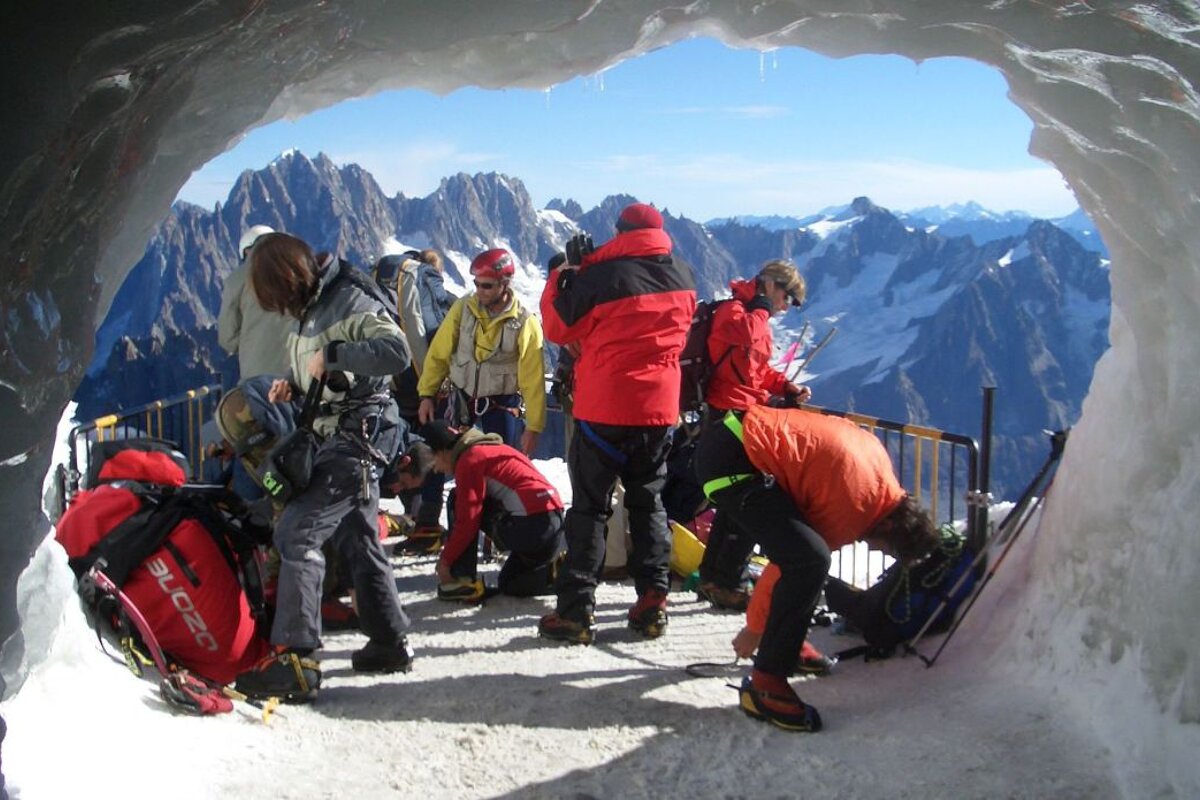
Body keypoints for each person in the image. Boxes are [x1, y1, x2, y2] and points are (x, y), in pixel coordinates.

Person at [232, 233, 420, 702]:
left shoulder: (348, 298)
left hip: (357, 438)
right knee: (357, 535)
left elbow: (396, 353)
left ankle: (297, 659)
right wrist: (292, 387)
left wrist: (333, 356)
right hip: (345, 433)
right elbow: (326, 371)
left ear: (287, 281)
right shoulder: (313, 307)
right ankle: (389, 641)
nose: (275, 307)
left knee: (296, 533)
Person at [693, 404, 939, 731]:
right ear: (892, 531)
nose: (870, 548)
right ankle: (766, 683)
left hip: (740, 440)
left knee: (807, 557)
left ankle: (787, 648)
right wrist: (754, 629)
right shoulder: (855, 509)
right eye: (886, 550)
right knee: (809, 560)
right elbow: (788, 567)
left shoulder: (880, 477)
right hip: (731, 462)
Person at [537, 202, 696, 644]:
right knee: (649, 506)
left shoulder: (601, 277)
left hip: (604, 410)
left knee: (590, 509)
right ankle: (652, 604)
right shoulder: (683, 275)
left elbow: (557, 327)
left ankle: (575, 613)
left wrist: (565, 273)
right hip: (660, 411)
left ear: (620, 230)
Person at [695, 260, 810, 612]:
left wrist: (784, 386)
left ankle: (715, 577)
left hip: (742, 413)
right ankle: (727, 581)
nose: (785, 307)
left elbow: (755, 369)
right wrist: (759, 309)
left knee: (734, 502)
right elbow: (743, 336)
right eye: (786, 296)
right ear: (771, 285)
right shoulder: (734, 310)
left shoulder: (750, 313)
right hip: (726, 416)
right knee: (748, 499)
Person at [417, 248, 545, 457]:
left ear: (505, 284)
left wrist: (533, 427)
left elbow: (533, 379)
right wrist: (426, 395)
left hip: (501, 403)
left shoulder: (524, 322)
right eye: (476, 284)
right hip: (459, 397)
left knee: (501, 464)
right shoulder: (463, 308)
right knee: (435, 457)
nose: (479, 290)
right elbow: (439, 353)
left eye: (486, 285)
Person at [419, 420, 565, 603]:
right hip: (552, 521)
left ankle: (462, 580)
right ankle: (559, 572)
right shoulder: (492, 448)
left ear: (441, 451)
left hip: (531, 525)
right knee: (510, 584)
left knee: (457, 499)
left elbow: (468, 520)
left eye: (434, 461)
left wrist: (446, 560)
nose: (436, 469)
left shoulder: (470, 459)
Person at [218, 224, 291, 382]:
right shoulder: (298, 273)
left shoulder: (236, 279)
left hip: (257, 379)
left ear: (247, 250)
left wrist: (253, 341)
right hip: (300, 377)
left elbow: (227, 339)